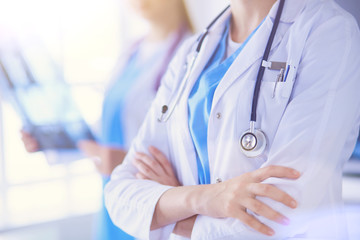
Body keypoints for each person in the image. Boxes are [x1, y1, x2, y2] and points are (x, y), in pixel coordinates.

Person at [104, 0, 360, 239]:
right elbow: (119, 194)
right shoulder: (191, 52)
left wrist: (173, 214)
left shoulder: (329, 32)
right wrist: (204, 199)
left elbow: (284, 209)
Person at [20, 0, 193, 239]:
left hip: (151, 200)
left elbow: (190, 149)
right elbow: (107, 129)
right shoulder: (132, 51)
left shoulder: (192, 53)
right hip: (114, 195)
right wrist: (53, 139)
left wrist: (127, 160)